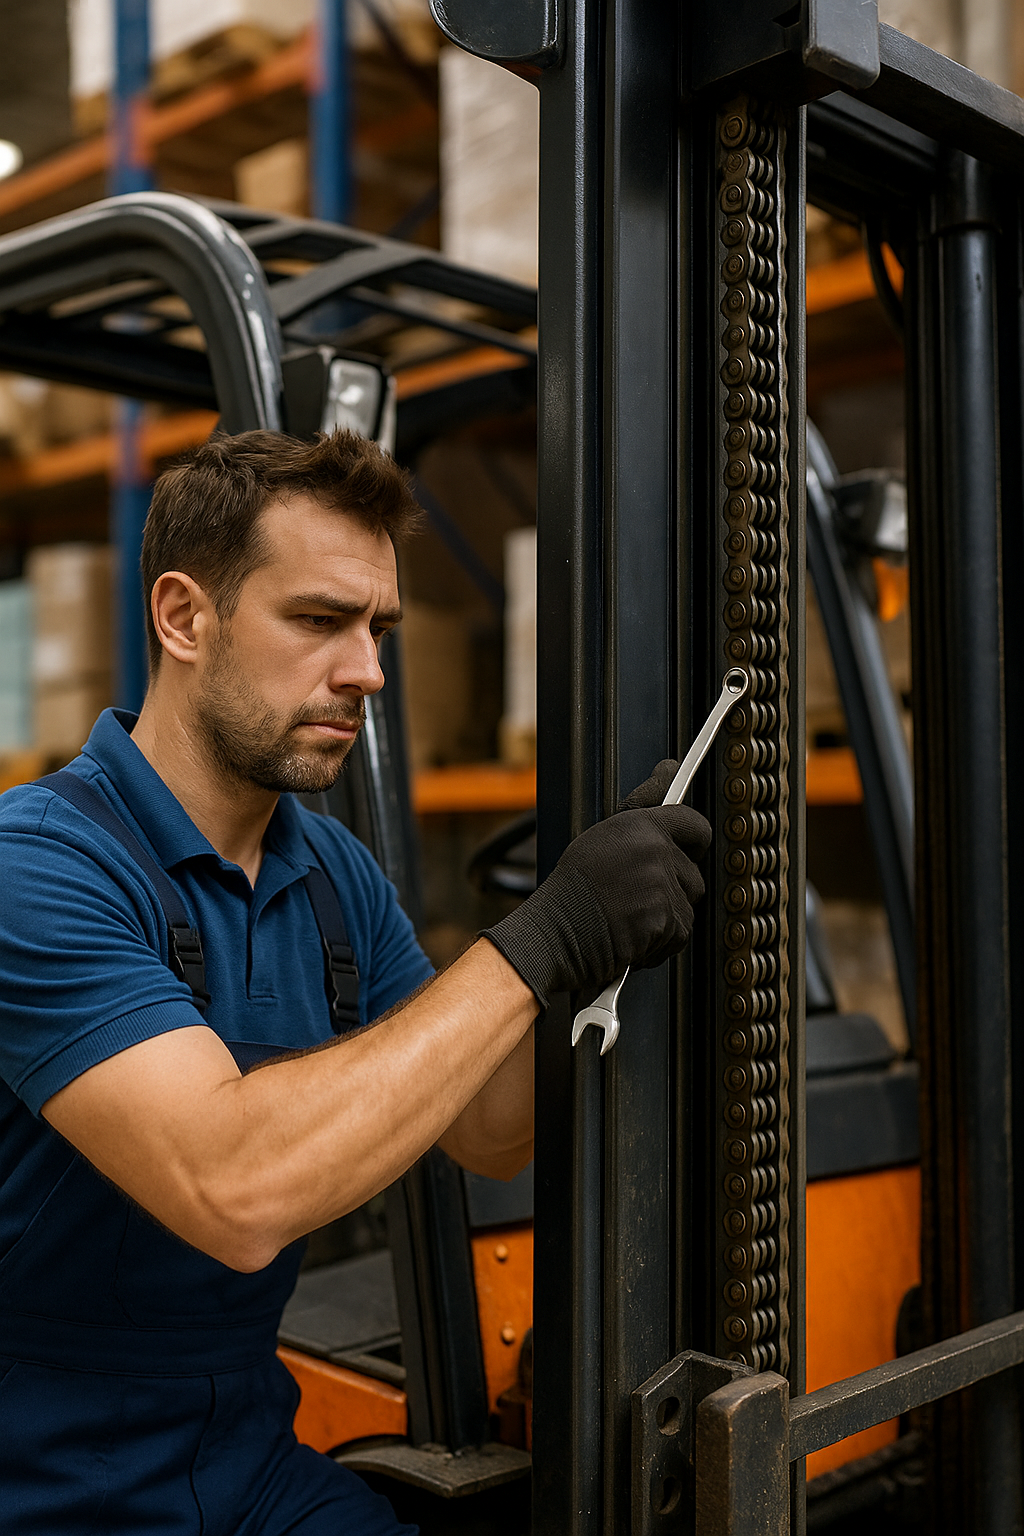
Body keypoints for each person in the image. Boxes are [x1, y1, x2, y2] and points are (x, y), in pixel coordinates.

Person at [0, 429, 711, 1534]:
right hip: (44, 1481)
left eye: (377, 629)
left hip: (244, 1463)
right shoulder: (38, 865)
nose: (368, 671)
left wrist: (608, 946)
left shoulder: (331, 873)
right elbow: (234, 1189)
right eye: (319, 620)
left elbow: (488, 1130)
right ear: (183, 618)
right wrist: (547, 933)